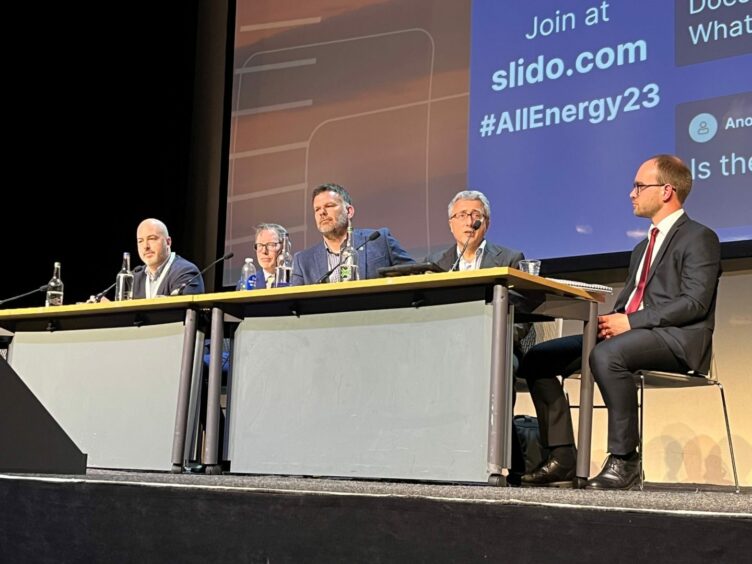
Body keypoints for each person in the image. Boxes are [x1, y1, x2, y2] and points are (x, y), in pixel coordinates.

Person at [517, 154, 721, 490]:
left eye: (639, 186)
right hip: (633, 333)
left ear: (667, 190)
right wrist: (615, 320)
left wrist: (631, 322)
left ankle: (626, 460)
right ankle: (562, 456)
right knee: (538, 358)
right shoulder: (642, 247)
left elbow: (694, 303)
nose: (632, 193)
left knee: (608, 356)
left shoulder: (700, 237)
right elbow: (632, 300)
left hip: (677, 339)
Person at [425, 189, 531, 357]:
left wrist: (491, 340)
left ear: (486, 223)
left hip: (494, 348)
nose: (469, 222)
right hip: (445, 347)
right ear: (451, 224)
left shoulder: (509, 259)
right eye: (461, 215)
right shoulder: (435, 263)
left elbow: (521, 319)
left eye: (476, 215)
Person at [291, 183, 414, 285]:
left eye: (329, 206)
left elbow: (416, 273)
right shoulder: (303, 261)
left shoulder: (379, 240)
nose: (322, 212)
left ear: (349, 211)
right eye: (317, 209)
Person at [133, 218, 205, 298]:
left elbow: (182, 309)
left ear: (168, 242)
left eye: (152, 238)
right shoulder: (134, 277)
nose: (145, 246)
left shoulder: (186, 272)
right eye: (140, 241)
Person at [253, 223, 288, 289]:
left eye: (271, 245)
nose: (264, 251)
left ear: (284, 247)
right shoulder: (248, 283)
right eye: (260, 245)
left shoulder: (297, 278)